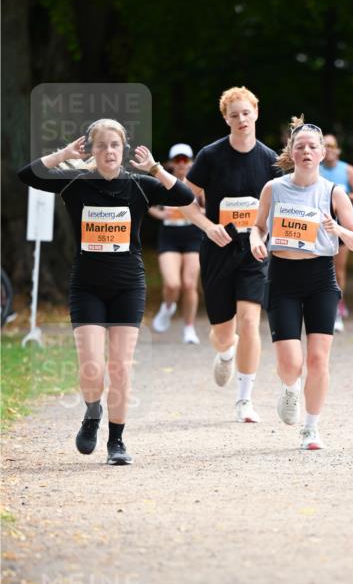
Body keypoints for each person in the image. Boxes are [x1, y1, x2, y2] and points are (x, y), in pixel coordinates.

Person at [17, 119, 209, 466]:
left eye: (115, 145)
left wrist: (155, 168)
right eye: (101, 145)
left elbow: (185, 197)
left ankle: (116, 441)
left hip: (127, 286)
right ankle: (92, 413)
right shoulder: (76, 183)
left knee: (120, 367)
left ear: (123, 149)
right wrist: (64, 154)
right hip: (87, 287)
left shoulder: (139, 185)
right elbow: (27, 175)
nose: (108, 151)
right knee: (92, 366)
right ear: (91, 150)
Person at [249, 118, 353, 450]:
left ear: (323, 152)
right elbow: (258, 226)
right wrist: (256, 240)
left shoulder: (334, 192)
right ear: (291, 152)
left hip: (320, 279)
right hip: (282, 278)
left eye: (313, 146)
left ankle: (311, 429)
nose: (306, 151)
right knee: (291, 364)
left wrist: (337, 230)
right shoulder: (274, 188)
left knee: (317, 360)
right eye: (300, 146)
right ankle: (290, 388)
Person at [186, 86, 279, 424]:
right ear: (226, 119)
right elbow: (185, 198)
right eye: (234, 114)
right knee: (224, 334)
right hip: (218, 250)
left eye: (246, 113)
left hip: (254, 250)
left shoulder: (270, 160)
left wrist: (267, 234)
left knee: (251, 320)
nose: (241, 119)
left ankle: (244, 400)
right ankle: (226, 352)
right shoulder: (210, 156)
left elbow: (281, 203)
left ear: (256, 113)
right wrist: (207, 225)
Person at [150, 143, 204, 344]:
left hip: (193, 235)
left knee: (190, 284)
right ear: (171, 163)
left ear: (191, 162)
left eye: (185, 160)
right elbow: (147, 203)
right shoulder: (162, 181)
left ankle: (189, 328)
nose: (182, 164)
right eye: (178, 160)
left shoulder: (199, 183)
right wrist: (161, 214)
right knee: (173, 284)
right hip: (170, 235)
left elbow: (210, 208)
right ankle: (167, 307)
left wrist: (196, 213)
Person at [320, 134, 353, 331]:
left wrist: (339, 196)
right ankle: (322, 308)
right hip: (320, 228)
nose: (328, 149)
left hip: (342, 227)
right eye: (325, 146)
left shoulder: (348, 170)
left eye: (331, 146)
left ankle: (337, 308)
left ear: (338, 149)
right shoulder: (314, 169)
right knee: (321, 269)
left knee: (338, 271)